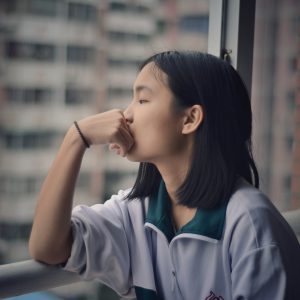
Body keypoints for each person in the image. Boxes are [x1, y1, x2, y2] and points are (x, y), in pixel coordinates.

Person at [29, 51, 300, 300]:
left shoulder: (251, 226)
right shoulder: (135, 213)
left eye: (143, 99)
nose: (126, 115)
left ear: (190, 119)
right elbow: (47, 247)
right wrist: (76, 138)